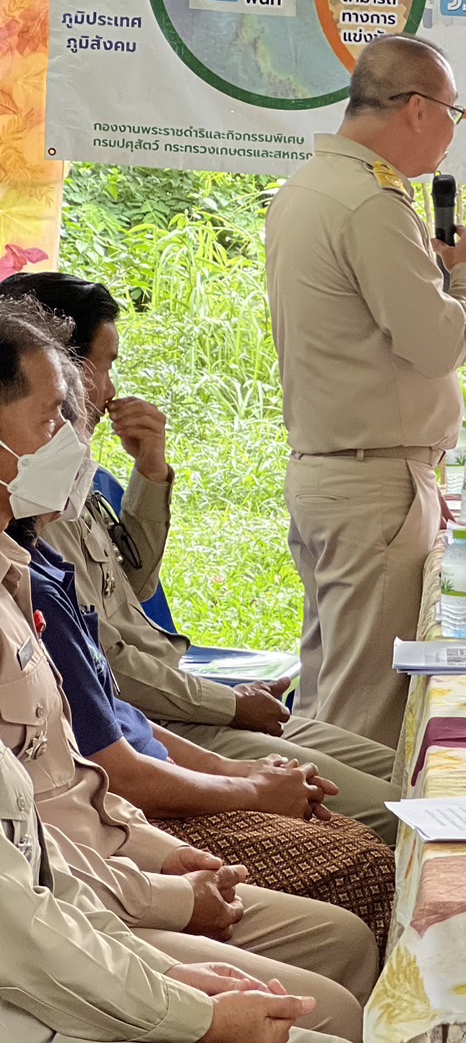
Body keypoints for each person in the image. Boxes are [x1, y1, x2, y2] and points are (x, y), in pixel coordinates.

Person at [0, 302, 374, 1040]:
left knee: (352, 891)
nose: (80, 427)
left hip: (102, 873)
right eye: (53, 418)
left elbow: (46, 833)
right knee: (355, 893)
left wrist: (166, 882)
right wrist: (192, 1005)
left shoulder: (17, 577)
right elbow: (27, 905)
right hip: (63, 938)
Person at [0, 272, 400, 844]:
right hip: (159, 718)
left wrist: (151, 472)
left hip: (161, 715)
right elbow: (108, 678)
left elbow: (131, 586)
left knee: (404, 767)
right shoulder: (26, 508)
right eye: (102, 365)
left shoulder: (67, 476)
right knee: (391, 813)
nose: (108, 389)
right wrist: (230, 711)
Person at [266, 33, 466, 748]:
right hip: (374, 483)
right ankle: (342, 857)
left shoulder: (307, 186)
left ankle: (299, 849)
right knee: (366, 715)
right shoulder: (372, 200)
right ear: (418, 109)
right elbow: (437, 343)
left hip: (334, 470)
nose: (455, 132)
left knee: (328, 694)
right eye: (456, 113)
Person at [0, 742, 345, 1043]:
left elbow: (49, 871)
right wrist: (203, 1019)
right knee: (335, 996)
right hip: (34, 1006)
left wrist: (168, 972)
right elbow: (26, 937)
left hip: (89, 923)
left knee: (344, 941)